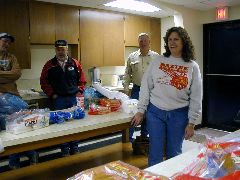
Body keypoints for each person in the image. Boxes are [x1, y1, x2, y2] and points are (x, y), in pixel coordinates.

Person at [131, 27, 202, 167]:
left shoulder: (192, 66)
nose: (172, 42)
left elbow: (196, 95)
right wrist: (141, 110)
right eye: (169, 39)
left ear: (184, 42)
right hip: (155, 112)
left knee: (174, 153)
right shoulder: (158, 61)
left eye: (176, 39)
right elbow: (146, 86)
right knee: (155, 153)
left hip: (179, 115)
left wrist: (192, 122)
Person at [40, 40, 86, 156]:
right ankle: (64, 149)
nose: (61, 51)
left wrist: (79, 91)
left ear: (67, 49)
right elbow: (43, 82)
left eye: (63, 49)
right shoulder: (49, 65)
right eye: (58, 49)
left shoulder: (75, 63)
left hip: (73, 99)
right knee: (61, 125)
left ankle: (74, 147)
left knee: (74, 123)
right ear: (55, 50)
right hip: (58, 100)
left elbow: (82, 79)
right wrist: (52, 94)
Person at [0, 32, 38, 169]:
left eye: (9, 42)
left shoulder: (11, 57)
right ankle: (29, 154)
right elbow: (11, 75)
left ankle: (18, 161)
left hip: (11, 96)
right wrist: (8, 76)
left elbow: (16, 74)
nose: (7, 44)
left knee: (17, 130)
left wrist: (8, 76)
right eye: (4, 41)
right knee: (8, 134)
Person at [123, 33, 159, 143]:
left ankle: (144, 138)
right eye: (140, 41)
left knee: (148, 115)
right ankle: (128, 139)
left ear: (149, 42)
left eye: (145, 40)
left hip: (151, 91)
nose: (143, 43)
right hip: (136, 90)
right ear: (138, 42)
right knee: (133, 114)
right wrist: (126, 88)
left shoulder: (156, 57)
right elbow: (127, 74)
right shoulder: (132, 56)